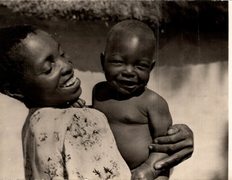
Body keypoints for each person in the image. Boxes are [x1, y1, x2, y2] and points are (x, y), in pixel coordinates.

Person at [0, 25, 131, 179]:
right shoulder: (82, 120)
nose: (67, 66)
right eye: (49, 69)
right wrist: (154, 168)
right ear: (16, 90)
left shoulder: (34, 124)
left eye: (61, 54)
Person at [92, 20, 192, 179]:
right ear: (103, 62)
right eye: (118, 62)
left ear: (151, 68)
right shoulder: (99, 92)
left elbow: (165, 146)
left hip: (145, 174)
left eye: (140, 66)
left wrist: (149, 169)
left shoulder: (153, 102)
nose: (129, 72)